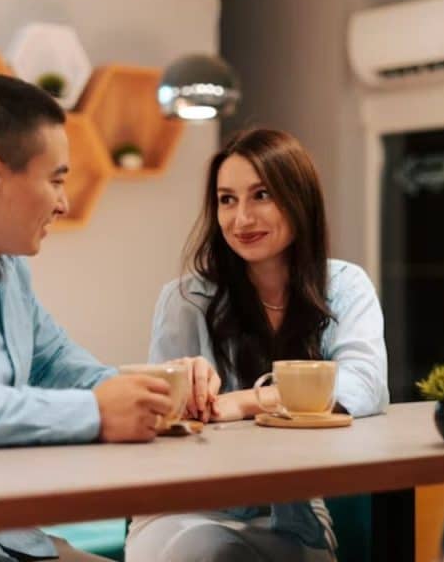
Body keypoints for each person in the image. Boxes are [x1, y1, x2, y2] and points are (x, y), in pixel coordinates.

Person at [0, 74, 218, 561]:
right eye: (56, 179)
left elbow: (59, 365)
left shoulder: (7, 268)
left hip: (13, 541)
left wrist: (163, 392)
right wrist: (95, 414)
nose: (63, 202)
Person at [125, 128, 389, 562]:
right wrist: (181, 393)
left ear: (298, 198)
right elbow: (163, 425)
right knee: (213, 552)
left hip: (292, 511)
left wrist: (247, 402)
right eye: (227, 199)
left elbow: (364, 387)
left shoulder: (344, 285)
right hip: (187, 507)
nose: (241, 218)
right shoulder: (185, 300)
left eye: (260, 195)